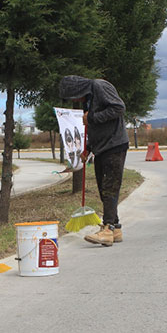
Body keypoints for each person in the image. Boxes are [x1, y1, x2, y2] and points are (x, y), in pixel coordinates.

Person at [59, 75, 129, 246]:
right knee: (103, 188)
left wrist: (91, 118)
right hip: (101, 147)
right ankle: (116, 227)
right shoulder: (88, 99)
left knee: (109, 187)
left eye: (73, 96)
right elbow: (95, 127)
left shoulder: (99, 86)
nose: (75, 100)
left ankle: (108, 229)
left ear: (77, 89)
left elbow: (119, 108)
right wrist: (88, 147)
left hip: (114, 144)